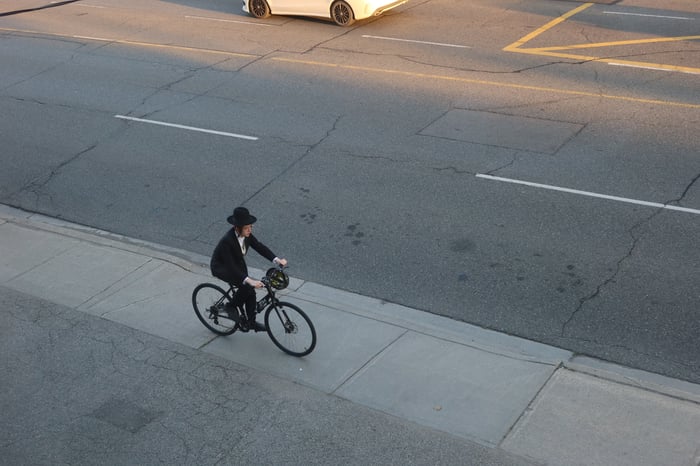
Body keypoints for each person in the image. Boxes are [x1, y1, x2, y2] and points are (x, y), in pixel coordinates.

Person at [210, 207, 287, 332]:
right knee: (247, 287)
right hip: (222, 267)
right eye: (246, 228)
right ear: (237, 228)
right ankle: (230, 306)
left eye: (251, 226)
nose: (250, 230)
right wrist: (249, 280)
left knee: (249, 290)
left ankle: (251, 322)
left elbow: (259, 246)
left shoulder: (246, 234)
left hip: (237, 264)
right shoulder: (227, 241)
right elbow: (230, 267)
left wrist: (276, 259)